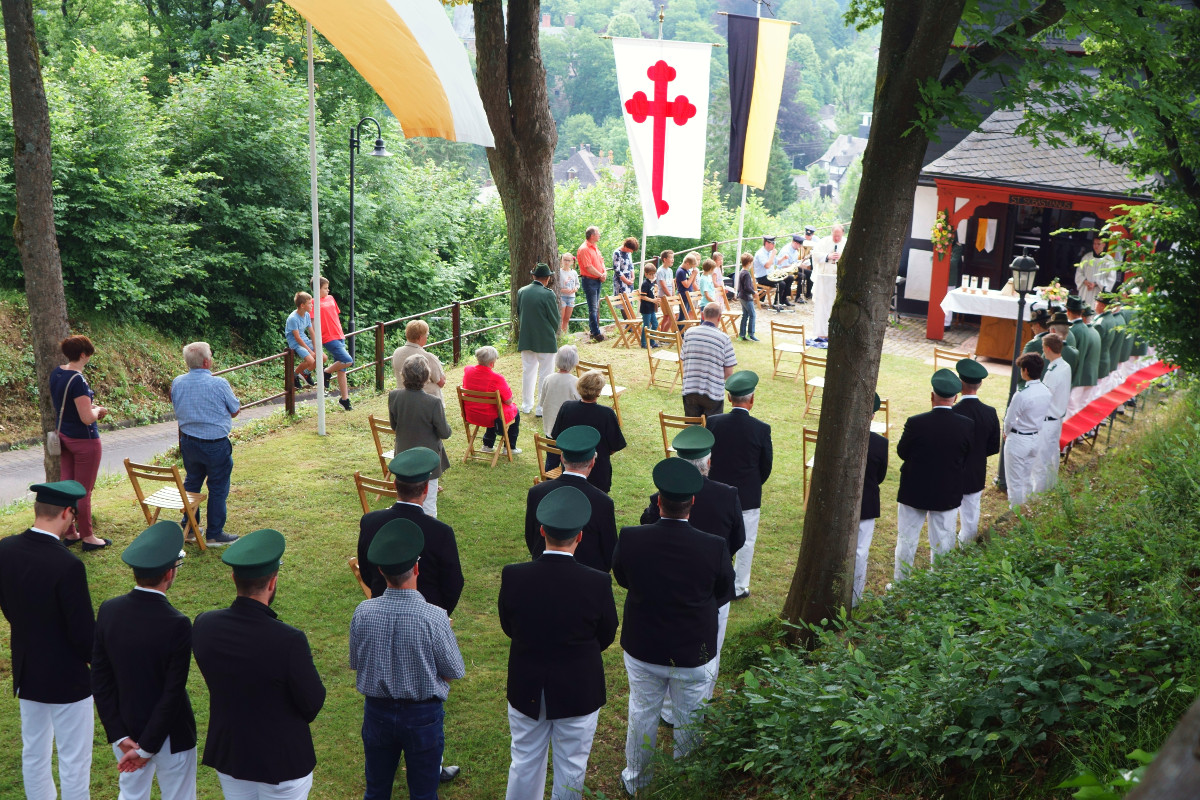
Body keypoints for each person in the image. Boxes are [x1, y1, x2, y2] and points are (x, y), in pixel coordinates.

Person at [613, 458, 733, 796]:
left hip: (644, 644)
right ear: (692, 503)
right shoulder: (713, 547)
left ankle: (636, 779)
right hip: (693, 649)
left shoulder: (633, 538)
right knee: (691, 715)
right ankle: (687, 780)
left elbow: (623, 577)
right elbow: (724, 590)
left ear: (659, 501)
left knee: (642, 711)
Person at [500, 486, 618, 800]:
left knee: (524, 760)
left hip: (527, 684)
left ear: (541, 531)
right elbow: (607, 633)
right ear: (580, 537)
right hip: (579, 686)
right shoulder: (597, 582)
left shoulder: (513, 575)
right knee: (572, 765)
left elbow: (508, 626)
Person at [192, 529, 326, 800]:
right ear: (273, 583)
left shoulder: (205, 624)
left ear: (233, 578)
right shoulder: (289, 640)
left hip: (232, 754)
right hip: (282, 762)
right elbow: (311, 704)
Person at [351, 519, 465, 800]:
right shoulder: (435, 616)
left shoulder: (363, 612)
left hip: (376, 713)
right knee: (424, 793)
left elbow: (357, 662)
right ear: (416, 568)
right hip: (422, 716)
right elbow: (453, 671)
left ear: (380, 570)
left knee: (376, 790)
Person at [0, 480, 95, 800]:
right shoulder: (68, 564)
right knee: (74, 759)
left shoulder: (4, 549)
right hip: (68, 677)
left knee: (34, 753)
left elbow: (8, 607)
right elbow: (83, 634)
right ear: (68, 513)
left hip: (27, 670)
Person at [639, 426, 744, 708]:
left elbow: (647, 532)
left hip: (666, 583)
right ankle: (699, 699)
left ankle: (669, 705)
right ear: (708, 463)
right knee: (710, 644)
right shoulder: (727, 495)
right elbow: (738, 539)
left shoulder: (660, 496)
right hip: (713, 584)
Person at [92, 521, 196, 800]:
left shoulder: (109, 610)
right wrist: (148, 747)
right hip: (171, 735)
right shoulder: (178, 623)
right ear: (170, 572)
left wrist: (118, 734)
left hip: (125, 730)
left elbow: (101, 679)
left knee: (131, 795)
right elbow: (172, 692)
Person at [358, 448, 465, 614]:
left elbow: (366, 572)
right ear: (426, 490)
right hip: (429, 610)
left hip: (381, 607)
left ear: (395, 486)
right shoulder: (440, 532)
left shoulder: (370, 522)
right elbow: (453, 583)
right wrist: (439, 614)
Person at [894, 369, 975, 583]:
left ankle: (901, 583)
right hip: (946, 491)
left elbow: (902, 452)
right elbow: (966, 456)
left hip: (914, 489)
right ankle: (939, 585)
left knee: (907, 539)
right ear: (955, 398)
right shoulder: (966, 425)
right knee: (943, 541)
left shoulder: (915, 422)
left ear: (932, 396)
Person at [707, 371, 772, 600]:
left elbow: (708, 458)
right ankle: (738, 586)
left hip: (717, 492)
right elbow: (766, 466)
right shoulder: (761, 429)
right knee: (746, 541)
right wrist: (752, 483)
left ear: (729, 398)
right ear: (751, 400)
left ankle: (713, 579)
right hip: (747, 495)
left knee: (716, 537)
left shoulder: (713, 423)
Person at [171, 342, 240, 547]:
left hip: (189, 442)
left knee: (192, 482)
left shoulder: (177, 382)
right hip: (215, 444)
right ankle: (214, 533)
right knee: (218, 487)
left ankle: (190, 527)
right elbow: (235, 409)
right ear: (207, 361)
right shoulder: (219, 384)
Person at [524, 426, 618, 573]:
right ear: (593, 462)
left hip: (542, 572)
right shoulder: (603, 502)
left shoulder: (537, 492)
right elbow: (609, 549)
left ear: (561, 458)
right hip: (587, 577)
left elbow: (531, 537)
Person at [50, 334, 110, 549]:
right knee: (83, 490)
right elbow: (86, 418)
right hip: (84, 440)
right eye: (89, 355)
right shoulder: (78, 380)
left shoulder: (57, 373)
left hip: (64, 436)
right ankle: (88, 537)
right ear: (83, 354)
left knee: (67, 485)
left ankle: (70, 531)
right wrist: (98, 411)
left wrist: (90, 408)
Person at [388, 356, 452, 517]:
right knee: (429, 502)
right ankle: (429, 535)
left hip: (403, 454)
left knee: (403, 500)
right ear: (426, 377)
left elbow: (394, 426)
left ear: (403, 375)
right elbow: (445, 432)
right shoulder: (433, 402)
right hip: (427, 458)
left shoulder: (394, 396)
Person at [549, 371, 626, 494]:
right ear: (599, 391)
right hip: (598, 469)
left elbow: (557, 436)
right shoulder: (606, 414)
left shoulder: (567, 407)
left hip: (570, 466)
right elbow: (615, 445)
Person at [952, 359, 1000, 545]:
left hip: (953, 472)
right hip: (976, 471)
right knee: (971, 516)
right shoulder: (989, 412)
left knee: (946, 518)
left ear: (960, 383)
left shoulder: (953, 412)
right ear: (979, 384)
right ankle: (966, 549)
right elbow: (993, 447)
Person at [1002, 353, 1052, 509]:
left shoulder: (1022, 394)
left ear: (1026, 371)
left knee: (1015, 482)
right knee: (1026, 477)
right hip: (1035, 438)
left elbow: (1009, 419)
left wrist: (1005, 432)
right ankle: (1028, 508)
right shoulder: (1046, 391)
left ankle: (1015, 514)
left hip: (1019, 439)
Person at [855, 394, 889, 606]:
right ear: (873, 415)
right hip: (866, 502)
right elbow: (881, 476)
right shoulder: (880, 443)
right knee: (860, 552)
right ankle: (854, 598)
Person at [516, 263, 562, 417]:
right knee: (546, 374)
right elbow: (554, 319)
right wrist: (553, 332)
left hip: (526, 338)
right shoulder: (548, 294)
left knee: (528, 372)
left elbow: (519, 313)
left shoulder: (522, 291)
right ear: (547, 278)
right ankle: (541, 408)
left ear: (533, 276)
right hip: (545, 339)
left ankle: (526, 405)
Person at [680, 304, 737, 417]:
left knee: (692, 431)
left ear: (702, 315)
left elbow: (683, 360)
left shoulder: (689, 333)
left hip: (690, 388)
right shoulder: (724, 339)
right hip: (713, 391)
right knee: (712, 430)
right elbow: (729, 373)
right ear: (719, 317)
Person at [463, 345, 522, 455]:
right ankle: (510, 447)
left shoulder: (468, 370)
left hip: (471, 414)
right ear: (492, 362)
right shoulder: (496, 378)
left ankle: (487, 445)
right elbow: (508, 400)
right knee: (513, 412)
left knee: (493, 408)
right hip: (490, 418)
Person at [1037, 334, 1072, 493]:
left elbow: (1044, 397)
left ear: (1048, 348)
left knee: (1041, 460)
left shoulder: (1053, 371)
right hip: (1057, 418)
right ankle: (1050, 487)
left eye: (1043, 347)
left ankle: (1037, 494)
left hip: (1048, 419)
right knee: (1052, 457)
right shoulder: (1064, 365)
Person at [315, 277, 353, 411]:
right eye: (325, 288)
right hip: (328, 337)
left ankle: (345, 399)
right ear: (317, 289)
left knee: (342, 369)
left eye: (327, 287)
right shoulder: (313, 303)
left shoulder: (330, 298)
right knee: (348, 360)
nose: (328, 290)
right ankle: (326, 372)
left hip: (339, 334)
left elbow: (335, 316)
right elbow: (313, 324)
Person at [390, 319, 446, 402]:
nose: (427, 337)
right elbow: (441, 382)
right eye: (426, 335)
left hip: (403, 400)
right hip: (427, 401)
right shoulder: (427, 357)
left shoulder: (396, 352)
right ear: (420, 337)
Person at [811, 224, 848, 341]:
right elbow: (815, 255)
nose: (836, 238)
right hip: (824, 276)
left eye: (839, 236)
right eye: (835, 235)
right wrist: (828, 256)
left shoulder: (846, 243)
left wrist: (842, 257)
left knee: (835, 305)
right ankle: (821, 332)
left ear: (842, 234)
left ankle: (835, 331)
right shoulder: (823, 242)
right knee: (822, 305)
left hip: (838, 277)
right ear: (832, 233)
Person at [1066, 296, 1100, 417]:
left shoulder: (1074, 330)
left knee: (1070, 408)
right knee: (1078, 407)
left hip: (1075, 376)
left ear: (1068, 311)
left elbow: (1071, 356)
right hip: (1083, 374)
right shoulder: (1086, 328)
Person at [539, 345, 582, 436]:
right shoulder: (576, 382)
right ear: (574, 362)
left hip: (549, 429)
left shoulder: (548, 379)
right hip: (569, 432)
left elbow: (542, 403)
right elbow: (581, 406)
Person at [576, 226, 607, 342]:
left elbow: (601, 261)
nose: (599, 235)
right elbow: (588, 267)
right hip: (589, 280)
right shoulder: (584, 249)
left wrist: (603, 273)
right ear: (592, 235)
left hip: (597, 279)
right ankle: (595, 332)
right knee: (593, 307)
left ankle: (594, 330)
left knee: (596, 306)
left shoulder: (594, 247)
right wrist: (600, 275)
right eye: (598, 233)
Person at [285, 291, 317, 389]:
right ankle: (294, 375)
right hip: (295, 342)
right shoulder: (293, 318)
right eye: (309, 303)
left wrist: (315, 348)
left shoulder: (307, 315)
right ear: (302, 305)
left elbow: (311, 332)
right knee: (311, 360)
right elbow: (297, 338)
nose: (312, 305)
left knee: (322, 357)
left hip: (304, 340)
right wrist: (311, 351)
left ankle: (305, 373)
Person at [1075, 236, 1114, 307]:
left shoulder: (1109, 260)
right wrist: (1085, 281)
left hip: (1098, 291)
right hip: (1085, 290)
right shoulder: (1087, 257)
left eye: (1098, 244)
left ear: (1104, 245)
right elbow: (1079, 272)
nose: (1095, 246)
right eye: (1094, 244)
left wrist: (1096, 284)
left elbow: (1111, 279)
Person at [771, 234, 804, 307]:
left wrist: (799, 263)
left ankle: (785, 298)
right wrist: (795, 266)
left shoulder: (795, 251)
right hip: (782, 271)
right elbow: (783, 266)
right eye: (799, 245)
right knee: (789, 278)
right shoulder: (786, 250)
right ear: (795, 243)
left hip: (789, 270)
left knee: (800, 276)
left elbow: (794, 263)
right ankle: (778, 300)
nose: (799, 247)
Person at [751, 235, 781, 310]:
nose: (774, 245)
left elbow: (777, 262)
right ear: (767, 243)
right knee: (781, 283)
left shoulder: (770, 252)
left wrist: (784, 258)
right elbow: (767, 265)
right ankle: (776, 303)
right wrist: (773, 254)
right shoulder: (760, 253)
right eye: (772, 243)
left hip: (770, 275)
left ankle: (783, 300)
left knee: (788, 278)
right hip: (762, 277)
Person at [735, 253, 758, 342]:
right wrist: (754, 292)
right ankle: (751, 334)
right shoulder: (746, 274)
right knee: (752, 315)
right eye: (751, 262)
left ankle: (742, 334)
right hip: (746, 297)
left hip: (741, 296)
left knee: (745, 315)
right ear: (749, 263)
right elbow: (747, 287)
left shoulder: (742, 272)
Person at [556, 253, 579, 334]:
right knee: (561, 318)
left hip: (571, 297)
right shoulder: (559, 272)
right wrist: (562, 290)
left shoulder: (574, 273)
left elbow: (577, 284)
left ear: (572, 262)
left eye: (568, 260)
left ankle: (565, 334)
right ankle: (560, 335)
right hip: (562, 296)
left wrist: (575, 289)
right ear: (561, 261)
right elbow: (556, 285)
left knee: (567, 318)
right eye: (564, 260)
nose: (566, 262)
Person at [638, 263, 659, 348]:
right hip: (646, 308)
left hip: (651, 308)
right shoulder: (645, 284)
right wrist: (653, 300)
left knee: (655, 324)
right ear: (646, 274)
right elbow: (643, 297)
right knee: (646, 326)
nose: (652, 276)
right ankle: (644, 343)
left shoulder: (652, 283)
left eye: (653, 274)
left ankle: (652, 341)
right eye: (650, 274)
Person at [675, 251, 700, 318]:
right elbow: (686, 285)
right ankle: (680, 328)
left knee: (686, 316)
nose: (690, 268)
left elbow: (691, 282)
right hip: (683, 295)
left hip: (689, 295)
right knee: (683, 316)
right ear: (687, 263)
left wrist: (694, 275)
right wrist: (693, 274)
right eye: (691, 266)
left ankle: (684, 328)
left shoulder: (686, 270)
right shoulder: (681, 271)